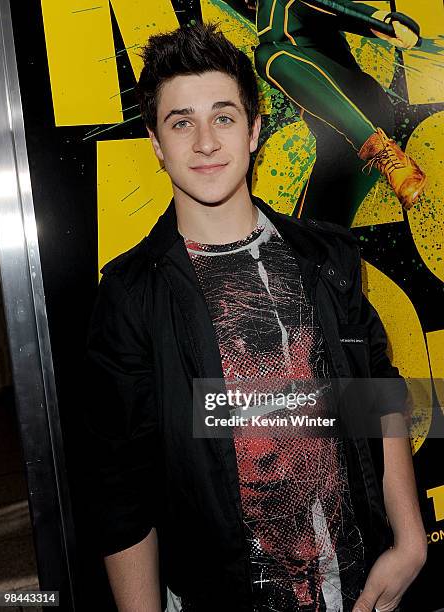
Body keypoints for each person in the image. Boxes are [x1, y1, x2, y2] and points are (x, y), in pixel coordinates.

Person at [83, 21, 427, 612]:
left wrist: (411, 541)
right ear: (157, 145)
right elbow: (120, 490)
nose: (205, 142)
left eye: (223, 116)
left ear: (254, 131)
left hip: (358, 587)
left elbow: (378, 390)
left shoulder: (327, 256)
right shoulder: (132, 294)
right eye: (181, 122)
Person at [243, 0, 427, 224]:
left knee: (267, 56)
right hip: (336, 143)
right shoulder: (260, 13)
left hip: (362, 106)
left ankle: (381, 150)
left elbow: (338, 10)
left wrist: (384, 22)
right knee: (311, 241)